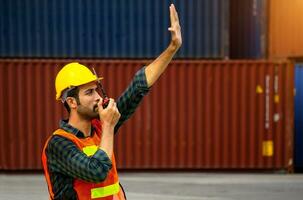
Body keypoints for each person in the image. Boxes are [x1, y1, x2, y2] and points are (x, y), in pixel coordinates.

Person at [42, 4, 182, 200]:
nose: (98, 97)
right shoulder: (59, 144)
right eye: (89, 92)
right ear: (72, 102)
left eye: (97, 90)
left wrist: (172, 48)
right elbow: (97, 171)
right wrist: (109, 126)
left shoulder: (99, 128)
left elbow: (137, 88)